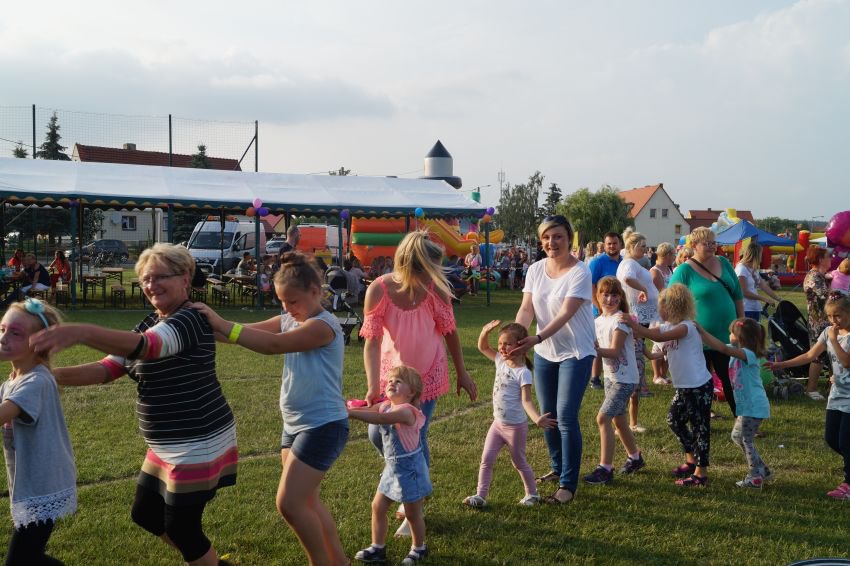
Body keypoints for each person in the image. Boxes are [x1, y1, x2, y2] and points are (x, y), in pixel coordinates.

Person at [30, 243, 237, 566]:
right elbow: (107, 368)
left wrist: (83, 332)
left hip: (197, 441)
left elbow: (148, 347)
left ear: (185, 277)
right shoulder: (152, 320)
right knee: (146, 513)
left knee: (183, 529)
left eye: (160, 277)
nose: (151, 285)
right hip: (167, 444)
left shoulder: (191, 318)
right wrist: (44, 377)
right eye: (145, 279)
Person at [193, 251, 349, 565]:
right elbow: (242, 332)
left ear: (315, 291)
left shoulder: (323, 326)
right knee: (308, 501)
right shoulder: (289, 319)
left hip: (323, 425)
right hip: (294, 424)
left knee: (290, 504)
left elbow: (273, 345)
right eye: (281, 301)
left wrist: (222, 323)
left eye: (292, 301)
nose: (286, 308)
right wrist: (196, 326)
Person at [360, 231, 476, 534]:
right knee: (376, 433)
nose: (433, 276)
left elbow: (450, 333)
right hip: (394, 379)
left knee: (415, 436)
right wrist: (373, 386)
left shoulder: (436, 291)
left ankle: (414, 501)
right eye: (427, 270)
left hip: (427, 377)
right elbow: (372, 342)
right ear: (409, 264)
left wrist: (462, 372)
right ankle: (408, 477)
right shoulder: (379, 289)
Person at [512, 215, 596, 504]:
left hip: (576, 352)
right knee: (548, 415)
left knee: (566, 416)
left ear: (569, 238)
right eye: (546, 237)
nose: (552, 242)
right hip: (545, 353)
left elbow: (565, 313)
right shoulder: (536, 269)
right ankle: (558, 468)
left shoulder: (580, 272)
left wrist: (536, 337)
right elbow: (527, 308)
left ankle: (568, 485)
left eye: (558, 236)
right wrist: (516, 336)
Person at [1, 299, 76, 566]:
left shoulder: (36, 380)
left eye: (15, 333)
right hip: (30, 482)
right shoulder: (12, 381)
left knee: (20, 560)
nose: (3, 338)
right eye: (2, 329)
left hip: (43, 484)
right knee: (29, 557)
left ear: (40, 343)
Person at [622, 284, 713, 487]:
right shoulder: (666, 327)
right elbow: (652, 340)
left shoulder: (687, 327)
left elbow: (657, 336)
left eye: (661, 307)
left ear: (673, 308)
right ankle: (691, 460)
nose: (658, 311)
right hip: (684, 387)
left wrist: (634, 324)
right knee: (675, 420)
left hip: (698, 386)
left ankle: (701, 474)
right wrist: (631, 328)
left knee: (700, 428)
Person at [463, 321, 556, 508]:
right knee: (486, 460)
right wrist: (484, 331)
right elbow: (483, 347)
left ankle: (532, 494)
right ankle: (480, 496)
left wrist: (536, 419)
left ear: (521, 346)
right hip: (497, 425)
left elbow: (526, 401)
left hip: (515, 428)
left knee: (518, 462)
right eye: (500, 343)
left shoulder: (523, 373)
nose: (502, 347)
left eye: (507, 344)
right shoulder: (500, 360)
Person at [767, 294, 850, 499]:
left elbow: (846, 362)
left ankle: (848, 484)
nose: (833, 321)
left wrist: (834, 341)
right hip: (837, 394)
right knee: (831, 438)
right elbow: (810, 355)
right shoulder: (827, 332)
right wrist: (781, 364)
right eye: (829, 316)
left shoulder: (839, 336)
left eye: (838, 315)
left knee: (846, 441)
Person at [350, 366, 431, 565]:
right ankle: (377, 547)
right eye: (390, 380)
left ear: (411, 393)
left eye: (399, 381)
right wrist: (349, 409)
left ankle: (419, 548)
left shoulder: (407, 412)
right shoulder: (386, 405)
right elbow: (371, 411)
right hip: (392, 468)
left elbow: (381, 419)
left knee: (412, 513)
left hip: (410, 470)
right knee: (377, 506)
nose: (392, 383)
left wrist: (349, 414)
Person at [669, 227, 743, 418]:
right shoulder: (684, 270)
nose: (711, 246)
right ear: (694, 246)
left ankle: (741, 418)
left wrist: (741, 323)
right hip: (699, 336)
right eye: (706, 243)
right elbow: (671, 300)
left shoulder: (723, 263)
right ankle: (703, 416)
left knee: (732, 379)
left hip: (728, 334)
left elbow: (737, 294)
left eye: (713, 243)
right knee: (702, 380)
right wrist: (677, 327)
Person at [583, 277, 648, 486]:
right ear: (597, 296)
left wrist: (590, 349)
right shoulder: (598, 321)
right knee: (618, 420)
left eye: (614, 295)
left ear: (621, 298)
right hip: (611, 378)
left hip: (625, 379)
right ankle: (635, 458)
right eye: (605, 294)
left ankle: (605, 468)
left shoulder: (621, 320)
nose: (610, 299)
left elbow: (614, 351)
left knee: (603, 418)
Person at [697, 318, 772, 489]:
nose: (729, 335)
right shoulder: (737, 351)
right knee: (738, 437)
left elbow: (722, 348)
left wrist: (701, 330)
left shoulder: (748, 354)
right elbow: (716, 346)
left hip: (754, 405)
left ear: (741, 337)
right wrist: (700, 336)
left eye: (731, 332)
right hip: (747, 405)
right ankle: (763, 470)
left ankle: (755, 477)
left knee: (745, 439)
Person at [616, 229, 658, 428]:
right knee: (633, 372)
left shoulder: (631, 263)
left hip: (638, 318)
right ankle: (627, 422)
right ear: (631, 247)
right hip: (636, 318)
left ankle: (631, 422)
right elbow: (627, 279)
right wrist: (644, 289)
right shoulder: (629, 263)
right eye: (642, 246)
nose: (645, 249)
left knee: (638, 354)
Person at [588, 232, 624, 390]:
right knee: (599, 343)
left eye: (614, 243)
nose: (612, 246)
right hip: (600, 311)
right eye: (609, 243)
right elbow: (590, 286)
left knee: (615, 342)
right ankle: (595, 378)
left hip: (618, 309)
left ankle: (617, 374)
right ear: (604, 245)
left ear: (620, 244)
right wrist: (598, 307)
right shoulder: (597, 262)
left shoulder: (623, 262)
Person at [803, 245, 834, 401]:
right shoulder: (814, 276)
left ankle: (833, 387)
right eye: (829, 257)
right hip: (818, 323)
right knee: (818, 356)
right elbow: (827, 296)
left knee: (833, 355)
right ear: (821, 259)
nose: (831, 259)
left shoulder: (821, 276)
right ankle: (811, 389)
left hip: (827, 321)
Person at [649, 242, 676, 385]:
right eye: (673, 255)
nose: (675, 257)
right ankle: (656, 375)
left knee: (668, 341)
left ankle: (664, 374)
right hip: (660, 310)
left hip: (670, 309)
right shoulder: (655, 271)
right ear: (667, 255)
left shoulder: (669, 270)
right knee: (659, 342)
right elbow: (662, 293)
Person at [735, 242, 781, 321]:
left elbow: (763, 286)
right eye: (760, 254)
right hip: (745, 309)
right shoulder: (741, 269)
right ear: (755, 255)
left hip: (755, 309)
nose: (761, 257)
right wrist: (764, 299)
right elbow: (744, 292)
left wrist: (778, 298)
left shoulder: (753, 269)